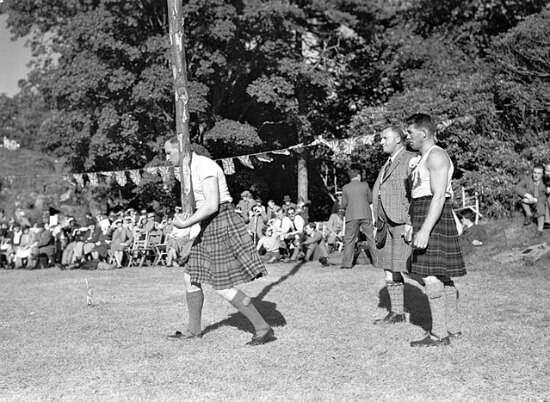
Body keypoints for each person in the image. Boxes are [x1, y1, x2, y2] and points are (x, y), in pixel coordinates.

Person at [164, 137, 275, 346]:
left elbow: (212, 204)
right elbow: (201, 207)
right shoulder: (186, 171)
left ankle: (263, 328)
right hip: (208, 223)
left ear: (180, 149)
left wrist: (185, 224)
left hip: (221, 220)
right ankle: (193, 330)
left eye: (169, 152)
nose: (166, 157)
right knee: (190, 277)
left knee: (222, 286)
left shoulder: (204, 165)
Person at [404, 113, 466, 347]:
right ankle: (453, 327)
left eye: (410, 132)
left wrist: (425, 230)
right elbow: (418, 194)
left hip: (433, 213)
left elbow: (439, 195)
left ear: (424, 132)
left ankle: (438, 334)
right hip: (422, 211)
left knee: (429, 273)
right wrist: (413, 224)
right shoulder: (421, 158)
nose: (408, 137)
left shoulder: (437, 154)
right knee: (439, 273)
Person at [372, 126, 416, 324]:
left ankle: (443, 302)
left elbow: (417, 193)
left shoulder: (410, 159)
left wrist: (410, 222)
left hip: (402, 223)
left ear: (398, 139)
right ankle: (397, 312)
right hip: (385, 224)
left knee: (414, 269)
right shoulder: (387, 163)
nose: (381, 141)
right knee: (389, 268)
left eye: (384, 138)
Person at [339, 167, 377, 269]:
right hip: (365, 214)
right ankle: (377, 263)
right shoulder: (365, 185)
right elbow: (370, 200)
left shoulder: (345, 188)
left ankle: (346, 264)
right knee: (371, 238)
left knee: (349, 240)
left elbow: (343, 204)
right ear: (358, 176)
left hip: (351, 216)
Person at [514, 165, 547, 238]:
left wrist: (535, 200)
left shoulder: (545, 182)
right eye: (534, 172)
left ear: (542, 174)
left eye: (539, 173)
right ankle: (529, 214)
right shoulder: (527, 179)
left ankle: (540, 230)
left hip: (541, 201)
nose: (536, 175)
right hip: (530, 198)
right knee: (521, 195)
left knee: (540, 206)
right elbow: (517, 187)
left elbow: (546, 197)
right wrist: (528, 196)